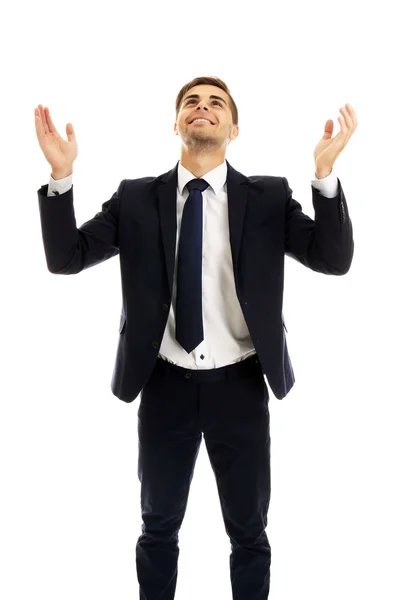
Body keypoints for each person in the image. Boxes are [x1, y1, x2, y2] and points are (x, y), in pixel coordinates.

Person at [35, 76, 357, 600]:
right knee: (158, 527)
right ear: (177, 122)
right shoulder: (137, 197)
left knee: (249, 531)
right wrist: (61, 175)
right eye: (191, 102)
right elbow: (65, 258)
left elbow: (333, 259)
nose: (201, 108)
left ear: (234, 128)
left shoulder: (270, 196)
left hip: (241, 387)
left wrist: (324, 176)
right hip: (164, 385)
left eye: (215, 104)